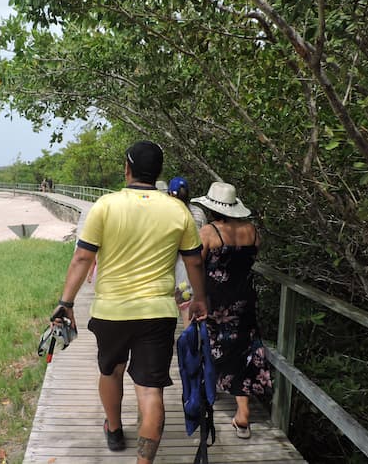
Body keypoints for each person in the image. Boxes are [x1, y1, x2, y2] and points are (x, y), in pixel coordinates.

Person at [50, 141, 207, 464]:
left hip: (111, 310)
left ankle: (115, 428)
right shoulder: (178, 210)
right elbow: (194, 263)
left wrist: (66, 302)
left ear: (127, 168)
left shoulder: (106, 205)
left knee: (111, 371)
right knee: (151, 391)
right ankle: (143, 462)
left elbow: (82, 257)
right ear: (158, 172)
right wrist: (200, 300)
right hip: (158, 312)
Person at [191, 181, 272, 440]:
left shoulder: (208, 232)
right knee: (243, 352)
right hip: (245, 300)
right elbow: (251, 258)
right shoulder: (252, 231)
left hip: (216, 301)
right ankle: (243, 414)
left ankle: (204, 400)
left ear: (212, 208)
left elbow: (196, 265)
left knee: (209, 348)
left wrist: (196, 296)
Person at [167, 176, 207, 327]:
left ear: (170, 194)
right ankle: (191, 347)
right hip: (191, 271)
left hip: (172, 269)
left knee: (168, 315)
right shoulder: (198, 213)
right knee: (188, 319)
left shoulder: (168, 213)